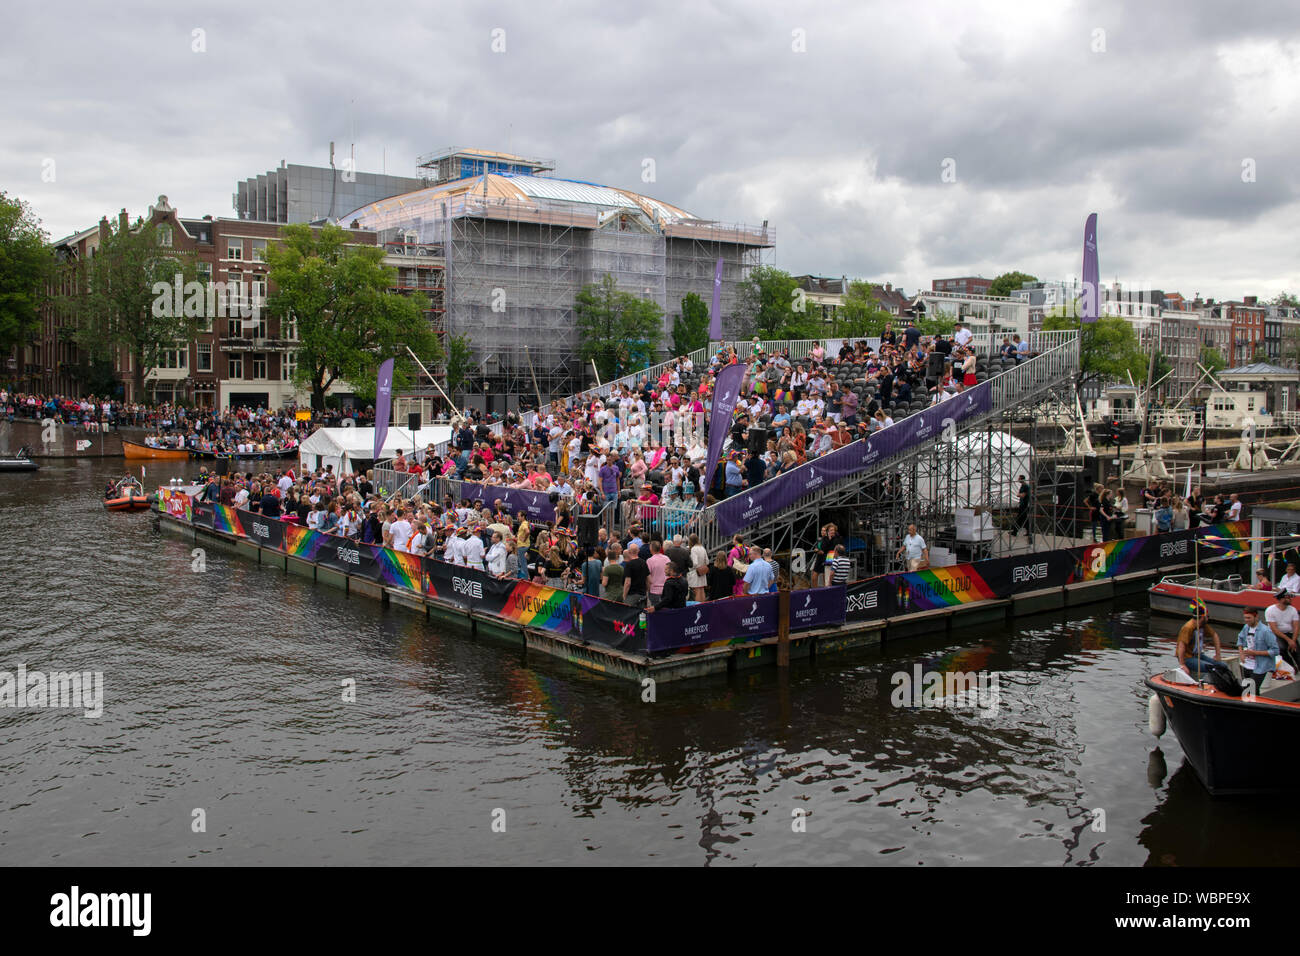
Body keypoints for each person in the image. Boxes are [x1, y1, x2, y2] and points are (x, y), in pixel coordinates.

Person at [1175, 601, 1228, 680]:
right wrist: (1182, 664)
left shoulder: (1203, 625)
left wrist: (1218, 654)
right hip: (1188, 657)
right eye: (1208, 617)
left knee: (1223, 665)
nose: (1208, 619)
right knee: (1210, 668)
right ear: (1203, 617)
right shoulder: (1188, 627)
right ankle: (1207, 684)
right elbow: (1181, 645)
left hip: (1198, 655)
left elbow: (1215, 635)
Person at [1237, 607, 1279, 693]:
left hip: (1260, 666)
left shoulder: (1266, 631)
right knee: (1246, 689)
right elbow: (1240, 639)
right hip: (1247, 664)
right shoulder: (1246, 627)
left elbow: (1275, 651)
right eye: (1245, 618)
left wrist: (1254, 653)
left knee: (1253, 689)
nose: (1246, 620)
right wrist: (1241, 653)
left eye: (1249, 618)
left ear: (1256, 617)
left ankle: (1255, 704)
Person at [1265, 588, 1300, 672]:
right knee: (1281, 648)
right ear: (1281, 599)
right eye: (1288, 597)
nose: (1290, 599)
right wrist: (1289, 640)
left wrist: (1293, 641)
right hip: (1276, 634)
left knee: (1297, 650)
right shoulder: (1270, 610)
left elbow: (1296, 627)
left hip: (1290, 633)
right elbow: (1274, 629)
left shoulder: (1293, 610)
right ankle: (1291, 667)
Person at [687, 533, 710, 603]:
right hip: (702, 572)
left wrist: (689, 568)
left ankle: (698, 608)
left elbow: (695, 563)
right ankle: (702, 607)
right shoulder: (702, 548)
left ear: (690, 541)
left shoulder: (693, 549)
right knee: (702, 590)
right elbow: (707, 562)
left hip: (695, 572)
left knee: (697, 591)